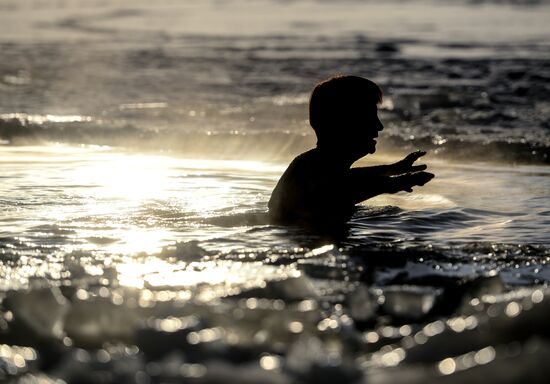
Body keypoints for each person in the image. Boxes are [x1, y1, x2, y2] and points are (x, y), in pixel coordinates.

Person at [268, 75, 434, 225]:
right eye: (370, 116)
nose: (379, 126)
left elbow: (347, 178)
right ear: (344, 123)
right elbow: (341, 190)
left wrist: (392, 169)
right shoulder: (313, 169)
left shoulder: (313, 163)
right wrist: (395, 184)